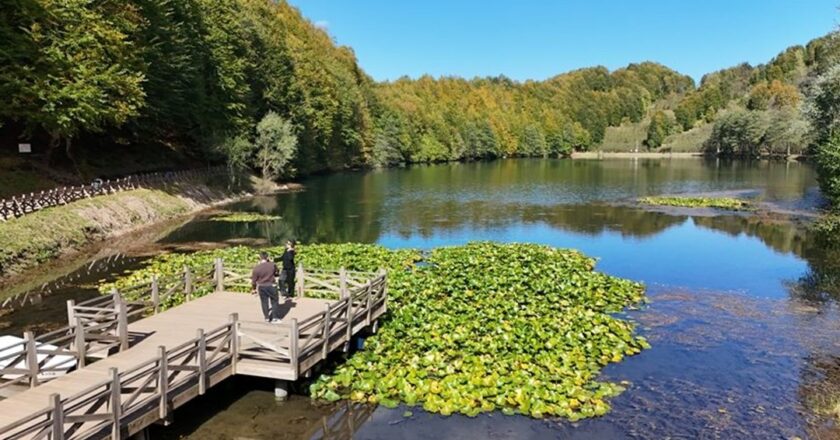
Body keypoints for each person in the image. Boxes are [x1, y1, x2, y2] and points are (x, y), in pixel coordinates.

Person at [251, 251, 281, 323]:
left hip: (262, 286)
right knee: (274, 301)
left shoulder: (256, 268)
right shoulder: (272, 265)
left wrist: (254, 289)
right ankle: (274, 318)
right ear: (267, 257)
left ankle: (266, 317)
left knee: (264, 302)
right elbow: (277, 273)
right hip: (271, 285)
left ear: (260, 258)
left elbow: (253, 281)